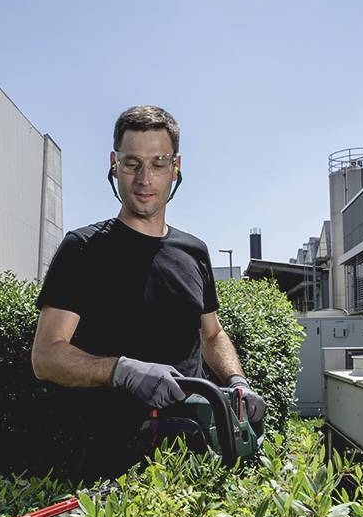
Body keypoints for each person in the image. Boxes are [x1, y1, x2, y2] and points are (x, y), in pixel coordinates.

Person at [30, 105, 266, 479]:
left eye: (158, 163)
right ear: (114, 164)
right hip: (105, 464)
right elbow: (45, 356)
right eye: (132, 163)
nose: (145, 179)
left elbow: (212, 334)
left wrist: (236, 380)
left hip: (191, 457)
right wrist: (120, 371)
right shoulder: (82, 249)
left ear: (176, 167)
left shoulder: (194, 251)